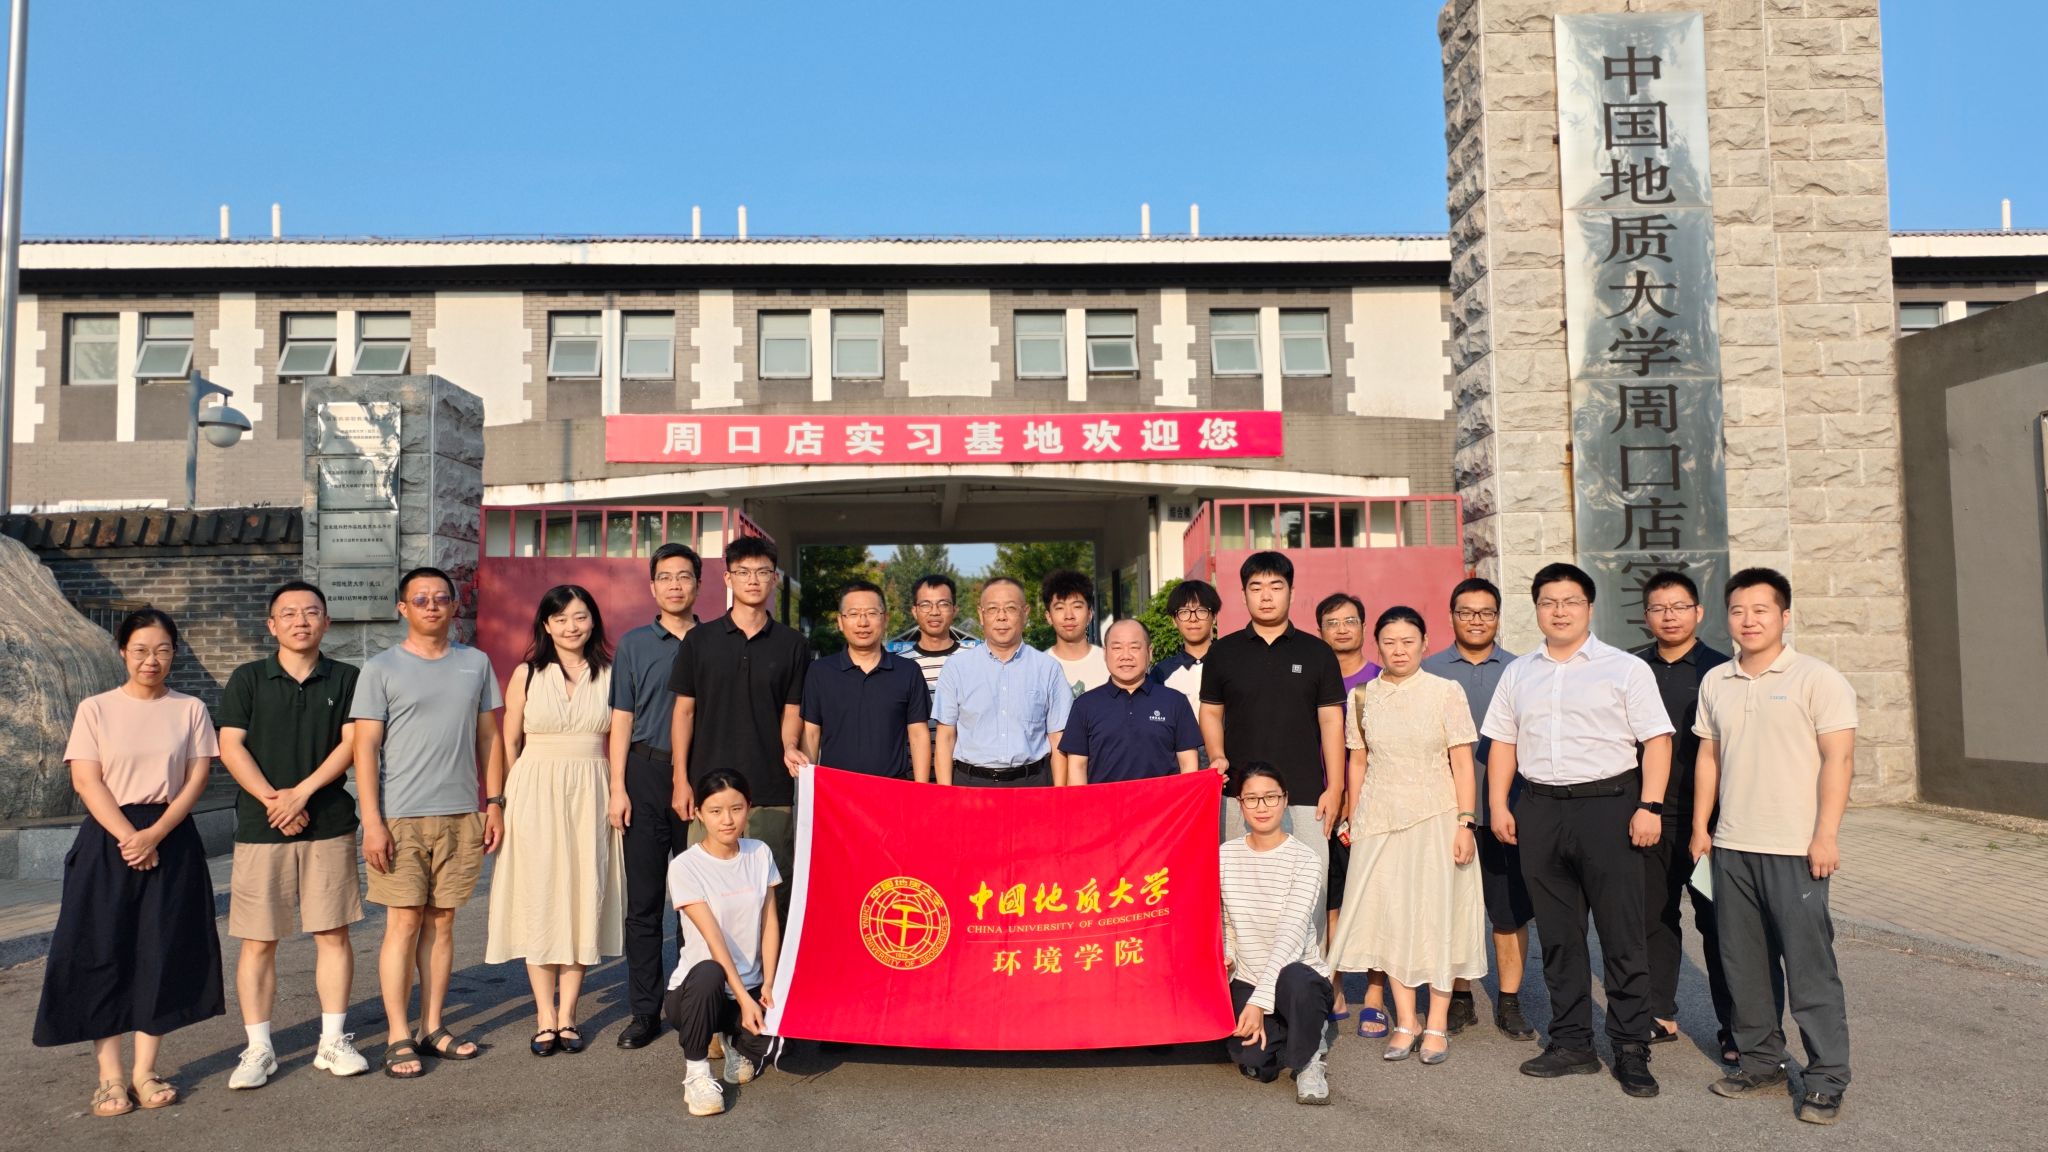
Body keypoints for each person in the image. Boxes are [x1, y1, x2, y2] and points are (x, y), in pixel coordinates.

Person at [1484, 563, 1673, 1097]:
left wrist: (1650, 806)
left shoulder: (1624, 669)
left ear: (1589, 607)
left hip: (1610, 808)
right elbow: (1503, 741)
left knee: (1621, 934)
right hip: (1540, 810)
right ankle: (1571, 1043)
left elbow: (1657, 740)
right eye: (1549, 602)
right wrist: (1498, 804)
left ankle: (1631, 1047)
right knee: (1559, 936)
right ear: (1537, 609)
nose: (1559, 611)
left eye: (1570, 601)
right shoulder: (1518, 673)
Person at [34, 608, 224, 1117]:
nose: (151, 660)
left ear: (174, 653)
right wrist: (129, 837)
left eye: (162, 650)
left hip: (171, 835)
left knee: (160, 949)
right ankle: (110, 1077)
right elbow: (86, 780)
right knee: (102, 949)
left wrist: (155, 833)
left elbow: (197, 778)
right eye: (140, 650)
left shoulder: (189, 709)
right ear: (123, 652)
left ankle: (145, 1071)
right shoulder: (95, 708)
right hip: (108, 837)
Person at [1691, 568, 1858, 1126]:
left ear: (1784, 616)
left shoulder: (1818, 678)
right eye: (1738, 610)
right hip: (1732, 846)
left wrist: (1826, 834)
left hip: (1796, 848)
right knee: (1745, 966)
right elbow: (1709, 757)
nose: (1749, 620)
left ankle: (1826, 1079)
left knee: (1810, 970)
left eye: (1761, 610)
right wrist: (1701, 828)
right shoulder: (1717, 681)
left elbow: (1839, 759)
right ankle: (1761, 1063)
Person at [352, 567, 507, 1079]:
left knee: (443, 923)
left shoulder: (475, 663)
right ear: (403, 608)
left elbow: (489, 738)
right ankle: (398, 1034)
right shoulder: (380, 668)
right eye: (420, 599)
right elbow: (365, 748)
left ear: (455, 606)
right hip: (400, 818)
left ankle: (433, 1026)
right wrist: (372, 821)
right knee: (403, 922)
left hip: (460, 814)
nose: (432, 606)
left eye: (442, 598)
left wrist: (495, 802)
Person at [217, 582, 368, 1089]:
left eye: (311, 612)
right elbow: (230, 746)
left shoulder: (347, 677)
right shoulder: (248, 678)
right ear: (272, 624)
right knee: (258, 940)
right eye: (289, 613)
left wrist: (300, 795)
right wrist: (274, 801)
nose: (300, 621)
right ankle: (259, 1048)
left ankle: (333, 1041)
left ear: (326, 621)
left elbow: (351, 744)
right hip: (261, 828)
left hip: (327, 823)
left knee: (333, 934)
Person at [1327, 607, 1486, 1066]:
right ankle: (1406, 1019)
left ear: (1424, 644)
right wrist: (1354, 820)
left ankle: (1436, 1022)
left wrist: (1466, 822)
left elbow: (1462, 762)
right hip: (1378, 821)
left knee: (1435, 917)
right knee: (1391, 919)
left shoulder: (1445, 691)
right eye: (1390, 642)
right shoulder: (1362, 696)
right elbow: (1358, 762)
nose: (1399, 650)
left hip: (1437, 818)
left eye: (1408, 641)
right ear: (1377, 646)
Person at [486, 585, 625, 1057]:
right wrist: (506, 800)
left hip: (591, 788)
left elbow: (620, 736)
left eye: (580, 616)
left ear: (593, 621)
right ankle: (544, 1016)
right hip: (535, 789)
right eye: (561, 618)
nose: (571, 626)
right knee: (540, 896)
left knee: (582, 893)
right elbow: (509, 741)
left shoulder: (611, 674)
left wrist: (618, 791)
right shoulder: (526, 674)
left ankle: (569, 1015)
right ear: (546, 625)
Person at [1200, 551, 1345, 931]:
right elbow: (1210, 712)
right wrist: (1217, 755)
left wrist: (1335, 787)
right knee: (1240, 896)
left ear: (1291, 593)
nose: (1266, 596)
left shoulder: (1317, 653)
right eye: (1256, 587)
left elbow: (1332, 721)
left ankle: (1308, 968)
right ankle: (1242, 966)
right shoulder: (1223, 652)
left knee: (1308, 896)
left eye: (1276, 587)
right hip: (1239, 796)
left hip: (1306, 795)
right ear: (1243, 594)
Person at [670, 535, 809, 923]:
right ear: (728, 578)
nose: (753, 580)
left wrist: (789, 746)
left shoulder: (793, 644)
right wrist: (681, 780)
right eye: (744, 572)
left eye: (762, 572)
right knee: (707, 897)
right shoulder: (699, 640)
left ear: (774, 579)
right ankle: (708, 966)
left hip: (770, 789)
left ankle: (771, 966)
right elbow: (683, 713)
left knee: (773, 895)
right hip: (709, 789)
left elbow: (792, 710)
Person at [1630, 570, 1736, 1062]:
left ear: (1699, 612)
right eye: (1659, 608)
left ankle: (1736, 1028)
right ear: (1646, 616)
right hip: (1650, 818)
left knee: (1721, 926)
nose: (1669, 616)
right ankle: (1659, 1013)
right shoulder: (1631, 669)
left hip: (1711, 826)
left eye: (1679, 607)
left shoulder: (1722, 671)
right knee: (1654, 917)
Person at [1421, 576, 1530, 1039]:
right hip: (1448, 814)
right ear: (1451, 617)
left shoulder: (1522, 670)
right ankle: (1459, 997)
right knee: (1452, 910)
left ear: (1498, 617)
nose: (1476, 620)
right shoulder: (1429, 670)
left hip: (1509, 811)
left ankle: (1510, 1000)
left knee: (1509, 912)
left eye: (1486, 612)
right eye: (1466, 612)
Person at [608, 542, 701, 1050]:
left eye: (684, 576)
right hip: (644, 775)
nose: (675, 585)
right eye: (665, 577)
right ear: (653, 586)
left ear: (698, 584)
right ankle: (644, 1011)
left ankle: (692, 1003)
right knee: (643, 903)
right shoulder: (634, 644)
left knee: (697, 901)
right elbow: (621, 719)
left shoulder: (713, 640)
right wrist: (617, 787)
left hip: (700, 782)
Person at [664, 770, 782, 1118]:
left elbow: (769, 923)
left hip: (750, 987)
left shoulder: (759, 853)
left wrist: (770, 985)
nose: (727, 820)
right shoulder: (685, 866)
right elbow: (714, 939)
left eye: (736, 808)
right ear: (699, 813)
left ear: (749, 807)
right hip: (698, 993)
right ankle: (697, 1074)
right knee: (709, 971)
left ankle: (732, 1042)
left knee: (780, 1043)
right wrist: (745, 999)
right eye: (715, 811)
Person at [1220, 763, 1335, 1105]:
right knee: (1255, 1061)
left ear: (1285, 800)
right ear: (1240, 803)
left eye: (1270, 797)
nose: (1262, 806)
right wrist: (1227, 957)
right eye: (1252, 798)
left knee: (1296, 981)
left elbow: (1290, 936)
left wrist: (1259, 1002)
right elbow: (1225, 922)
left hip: (1295, 975)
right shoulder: (1224, 856)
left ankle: (1311, 1059)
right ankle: (1291, 1027)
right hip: (1247, 975)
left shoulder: (1306, 860)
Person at [934, 577, 1072, 788]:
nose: (1001, 617)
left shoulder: (1048, 669)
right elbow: (945, 738)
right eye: (992, 609)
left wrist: (1058, 796)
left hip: (1032, 783)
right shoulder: (956, 668)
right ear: (981, 615)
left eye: (1010, 608)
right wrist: (946, 796)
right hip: (971, 785)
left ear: (1025, 613)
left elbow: (1057, 738)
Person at [1315, 591, 1378, 1020]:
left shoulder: (1380, 679)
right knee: (1330, 900)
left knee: (1376, 901)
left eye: (1350, 621)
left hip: (1373, 808)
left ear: (1363, 627)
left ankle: (1375, 993)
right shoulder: (1311, 679)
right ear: (1320, 630)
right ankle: (1333, 985)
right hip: (1321, 806)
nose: (1342, 629)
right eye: (1333, 622)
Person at [800, 580, 932, 780]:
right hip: (835, 790)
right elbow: (811, 734)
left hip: (892, 788)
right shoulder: (820, 672)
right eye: (853, 614)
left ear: (885, 619)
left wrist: (920, 790)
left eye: (871, 613)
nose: (863, 623)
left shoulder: (908, 671)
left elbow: (918, 735)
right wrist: (808, 786)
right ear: (840, 621)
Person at [1059, 618, 1201, 784]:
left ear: (1149, 652)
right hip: (1104, 801)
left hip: (1163, 800)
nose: (1126, 656)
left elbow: (1188, 765)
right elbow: (1077, 767)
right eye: (1117, 648)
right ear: (1105, 653)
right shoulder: (1084, 705)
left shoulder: (1175, 702)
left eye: (1134, 647)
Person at [887, 573, 980, 725]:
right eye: (925, 604)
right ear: (914, 611)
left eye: (943, 604)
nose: (934, 612)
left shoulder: (974, 661)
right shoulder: (899, 664)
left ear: (955, 610)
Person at [1149, 578, 1220, 719]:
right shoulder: (1162, 672)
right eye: (1184, 612)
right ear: (1174, 621)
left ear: (1214, 617)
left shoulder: (1230, 664)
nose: (1193, 619)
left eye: (1201, 610)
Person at [1041, 568, 1109, 698]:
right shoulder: (1038, 669)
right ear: (1049, 617)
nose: (1069, 616)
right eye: (1060, 608)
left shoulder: (1109, 663)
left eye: (1077, 606)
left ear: (1089, 614)